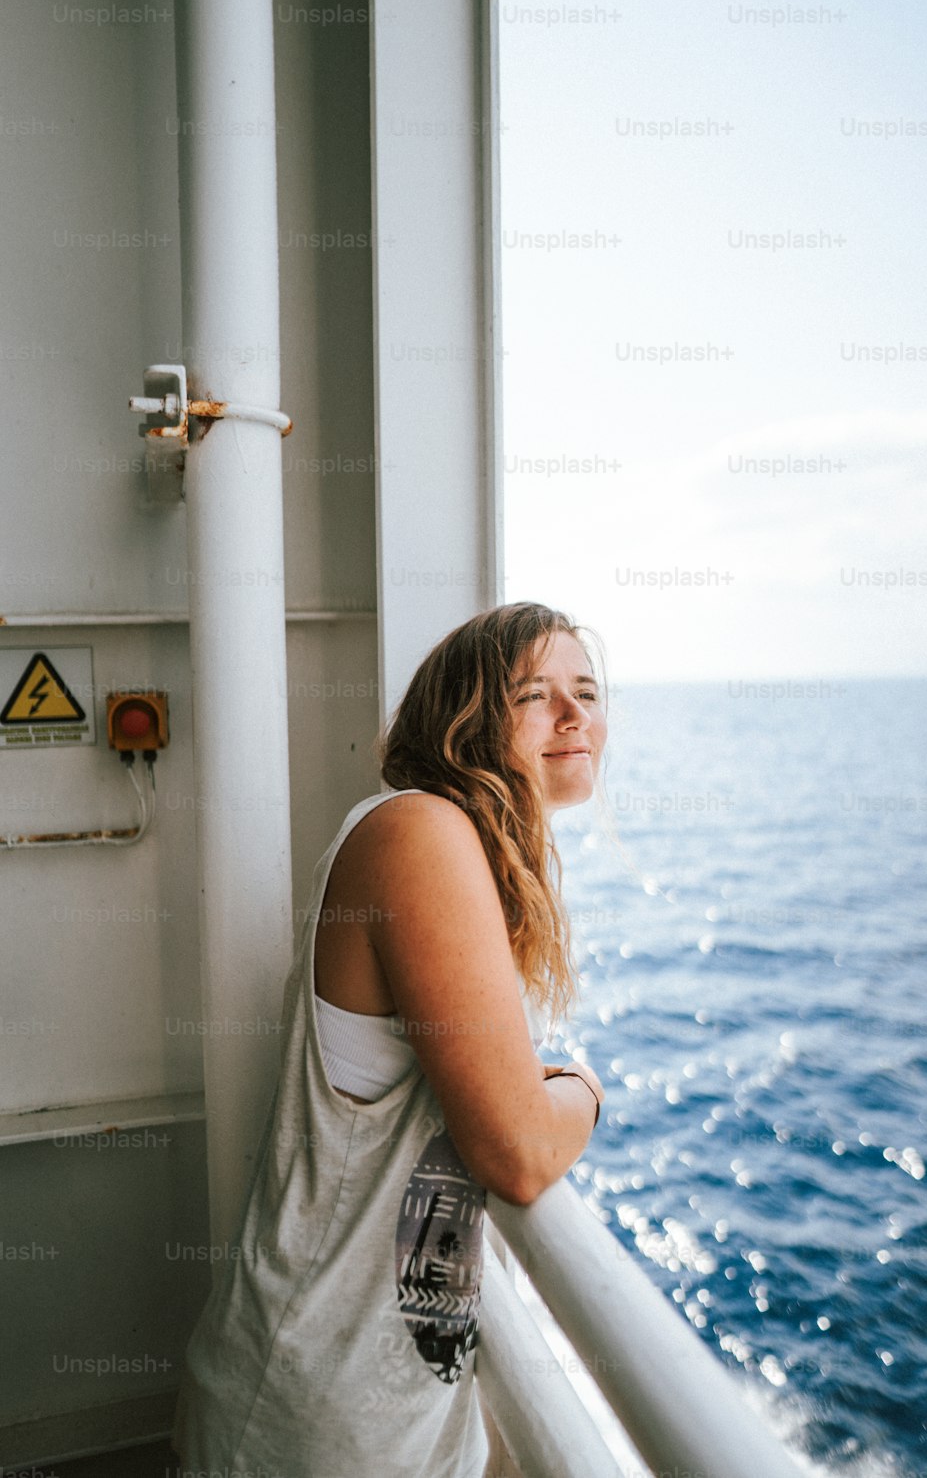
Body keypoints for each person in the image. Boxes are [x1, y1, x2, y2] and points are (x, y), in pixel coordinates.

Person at [172, 601, 608, 1478]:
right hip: (312, 1416)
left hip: (382, 1408)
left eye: (587, 693)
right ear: (465, 721)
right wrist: (587, 1091)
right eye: (536, 695)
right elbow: (518, 1151)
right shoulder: (422, 832)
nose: (575, 717)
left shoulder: (450, 847)